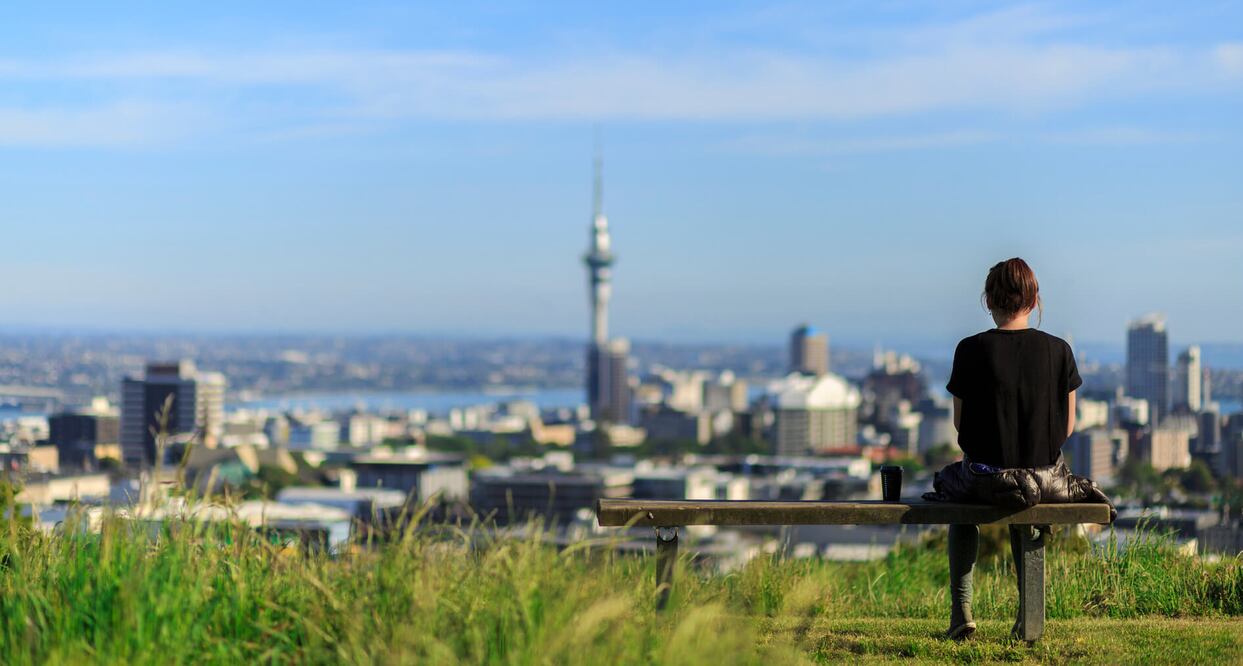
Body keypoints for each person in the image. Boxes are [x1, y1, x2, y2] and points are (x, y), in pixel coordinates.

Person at [942, 257, 1081, 641]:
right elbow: (1066, 427)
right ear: (1034, 302)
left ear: (989, 301)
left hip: (984, 479)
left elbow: (960, 426)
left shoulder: (969, 350)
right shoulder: (1059, 351)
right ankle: (1027, 615)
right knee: (1029, 497)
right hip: (1041, 479)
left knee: (955, 493)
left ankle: (962, 610)